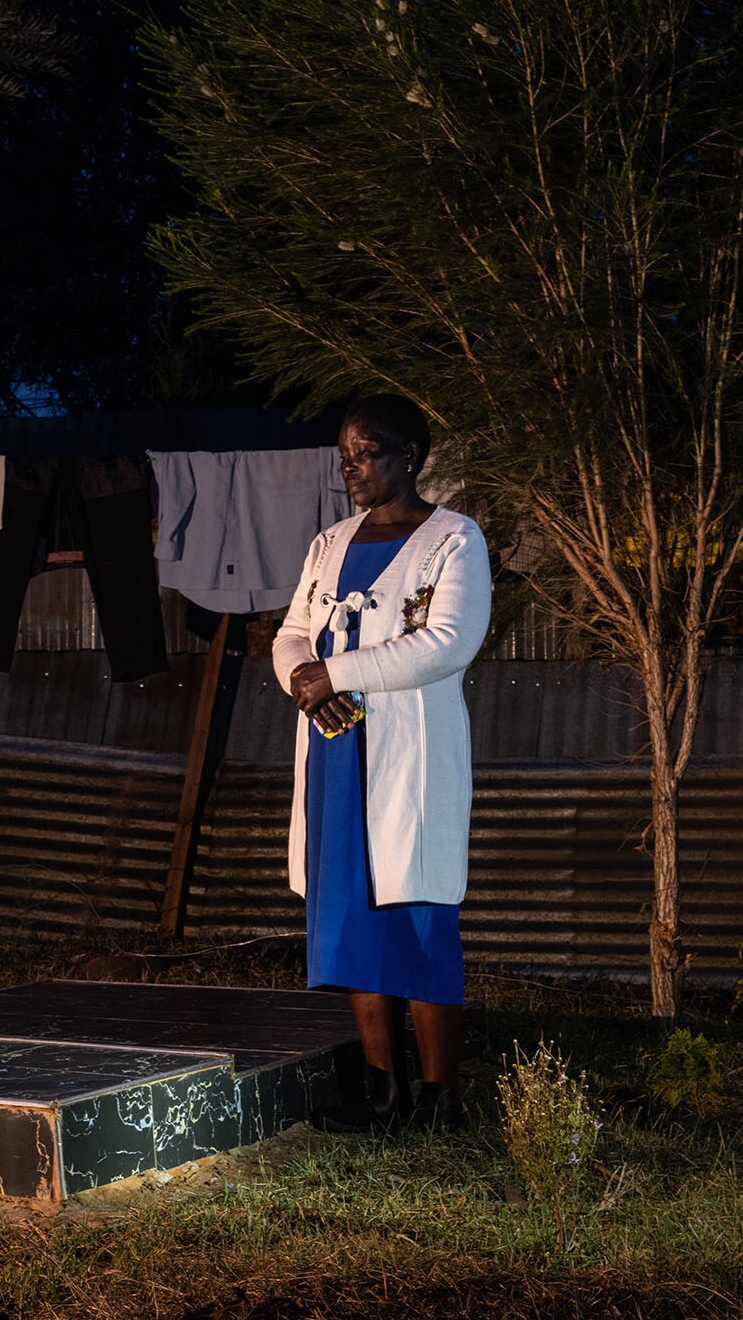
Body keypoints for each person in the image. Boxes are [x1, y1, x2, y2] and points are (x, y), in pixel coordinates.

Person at [274, 394, 490, 1133]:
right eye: (343, 455)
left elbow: (447, 643)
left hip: (410, 760)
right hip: (336, 753)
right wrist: (308, 685)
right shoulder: (329, 544)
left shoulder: (453, 540)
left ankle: (441, 1100)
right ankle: (382, 1094)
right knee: (354, 924)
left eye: (364, 454)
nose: (350, 468)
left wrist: (338, 675)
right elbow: (293, 635)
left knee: (419, 921)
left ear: (410, 457)